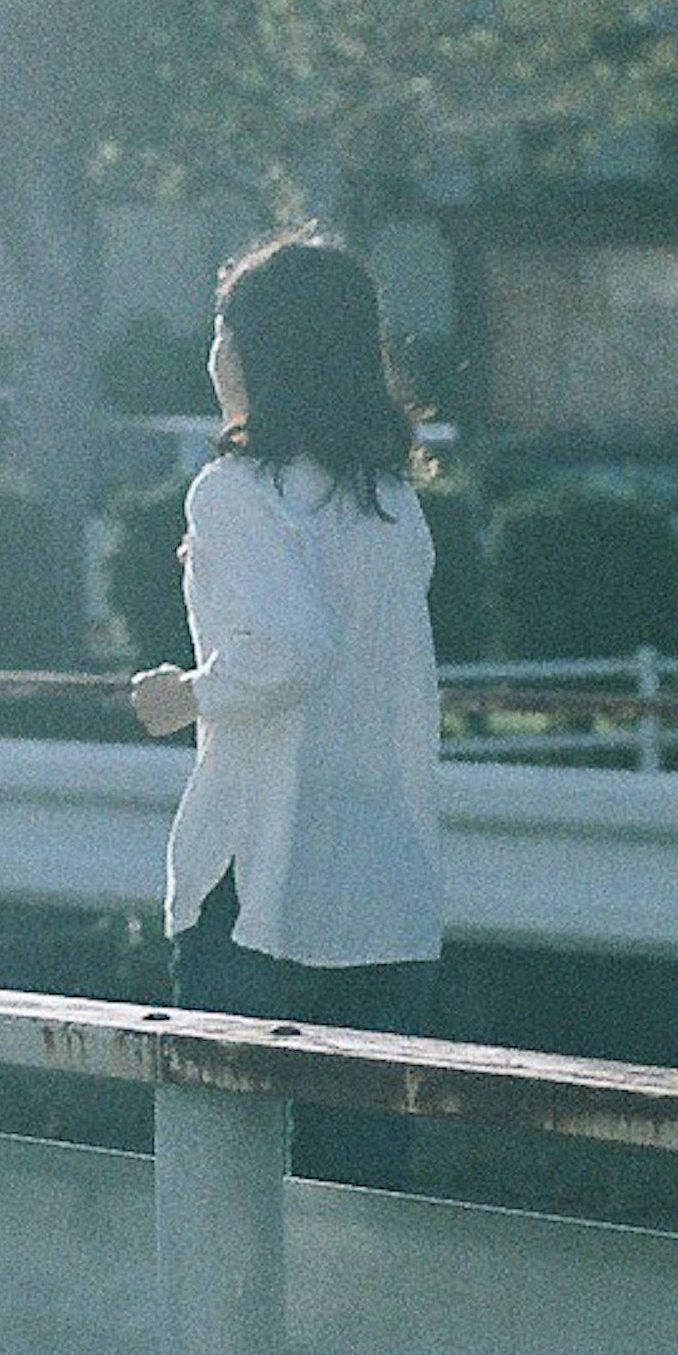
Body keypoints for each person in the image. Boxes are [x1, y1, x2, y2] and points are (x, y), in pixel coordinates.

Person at [128, 228, 442, 1031]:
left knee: (224, 1149)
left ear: (249, 354)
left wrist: (186, 695)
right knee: (361, 1156)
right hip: (381, 879)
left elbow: (296, 647)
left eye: (223, 331)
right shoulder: (390, 501)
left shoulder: (234, 493)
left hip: (258, 879)